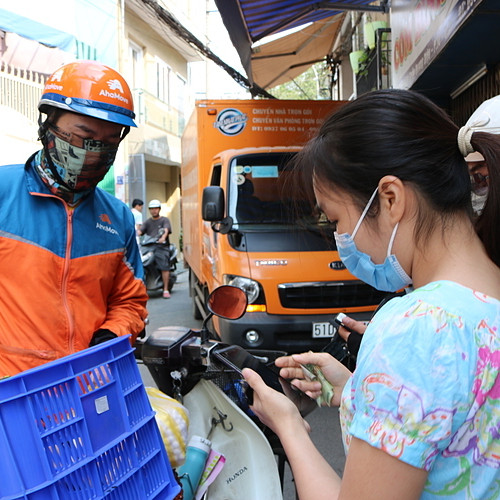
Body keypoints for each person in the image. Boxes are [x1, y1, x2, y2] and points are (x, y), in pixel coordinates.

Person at [243, 89, 500, 499]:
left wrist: (288, 425)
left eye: (337, 219)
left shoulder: (415, 329)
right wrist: (359, 389)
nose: (340, 239)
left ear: (391, 199)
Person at [0, 61, 149, 378]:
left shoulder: (118, 218)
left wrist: (112, 336)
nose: (94, 153)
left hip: (87, 388)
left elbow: (130, 302)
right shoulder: (3, 192)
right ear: (49, 123)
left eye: (109, 142)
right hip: (11, 393)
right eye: (84, 135)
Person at [139, 199, 172, 298]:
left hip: (161, 246)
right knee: (140, 264)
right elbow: (140, 231)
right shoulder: (148, 222)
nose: (154, 211)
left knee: (164, 266)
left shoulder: (164, 220)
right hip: (149, 247)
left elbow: (166, 229)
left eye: (156, 209)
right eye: (152, 209)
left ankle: (165, 289)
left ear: (159, 209)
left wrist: (163, 237)